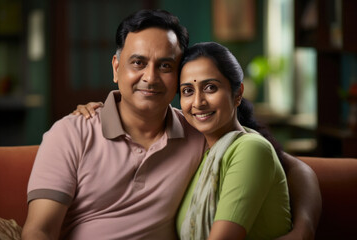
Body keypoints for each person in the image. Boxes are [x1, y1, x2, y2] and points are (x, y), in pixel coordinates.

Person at [22, 9, 321, 240]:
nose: (150, 77)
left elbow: (292, 166)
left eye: (165, 66)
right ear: (116, 68)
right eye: (138, 63)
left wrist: (304, 227)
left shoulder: (197, 132)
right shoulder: (72, 132)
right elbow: (40, 231)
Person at [175, 41, 290, 239]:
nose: (198, 102)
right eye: (188, 91)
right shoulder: (202, 153)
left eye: (210, 87)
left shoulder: (251, 148)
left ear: (237, 94)